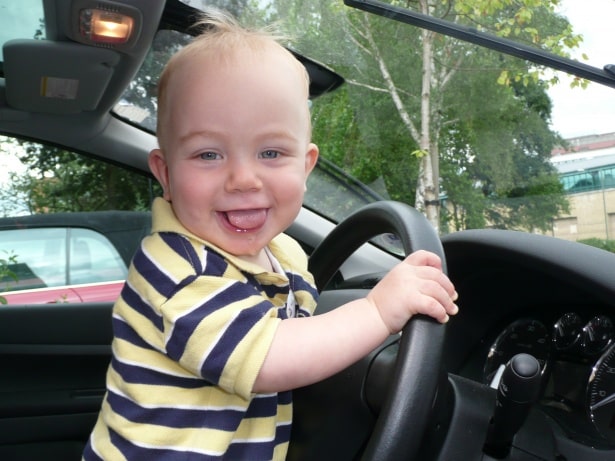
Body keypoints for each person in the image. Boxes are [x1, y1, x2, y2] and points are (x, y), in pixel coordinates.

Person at [83, 9, 458, 461]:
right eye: (208, 154)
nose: (244, 179)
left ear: (306, 165)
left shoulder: (283, 254)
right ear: (165, 173)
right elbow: (268, 359)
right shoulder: (174, 268)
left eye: (271, 152)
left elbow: (303, 335)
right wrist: (377, 310)